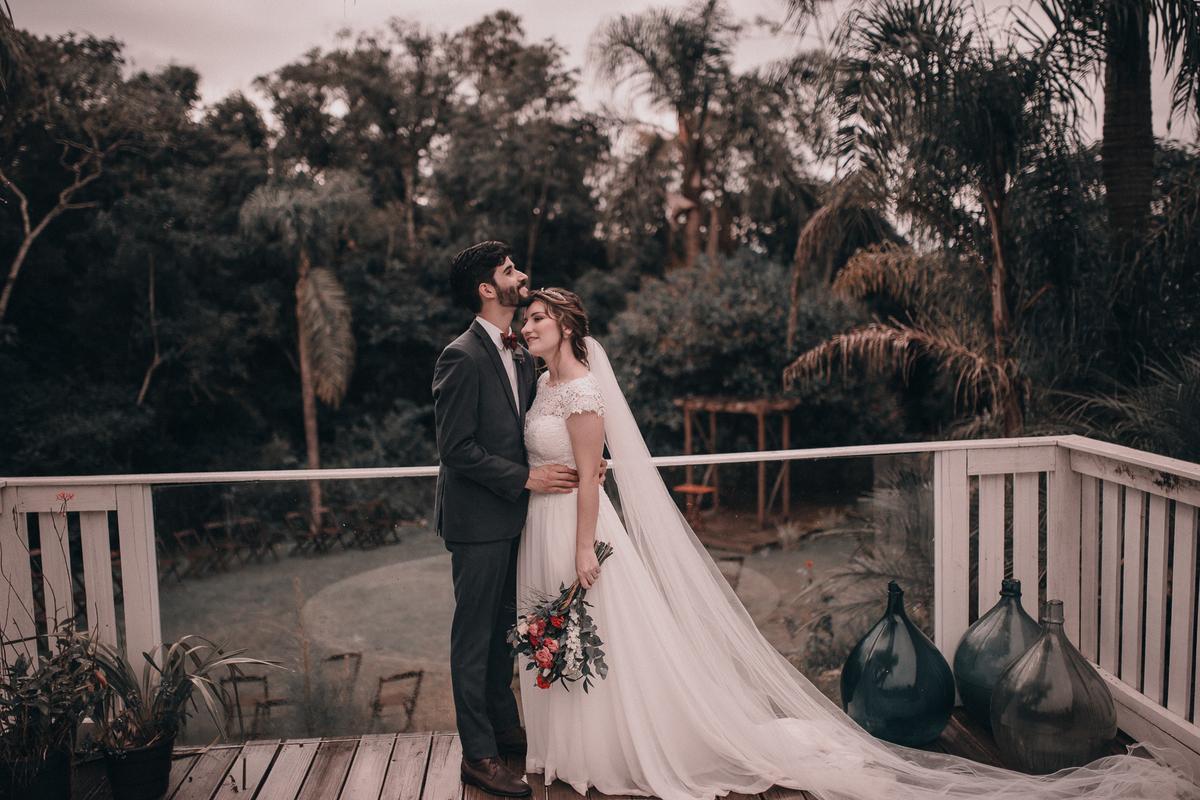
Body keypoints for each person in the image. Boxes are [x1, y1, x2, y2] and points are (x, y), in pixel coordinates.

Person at [515, 287, 1198, 800]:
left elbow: (591, 482)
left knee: (598, 638)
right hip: (539, 526)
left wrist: (583, 551)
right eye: (525, 321)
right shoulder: (542, 384)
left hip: (580, 532)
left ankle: (613, 751)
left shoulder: (582, 393)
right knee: (568, 638)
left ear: (567, 326)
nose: (527, 328)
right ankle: (571, 751)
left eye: (537, 320)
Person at [432, 243, 580, 798]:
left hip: (516, 519)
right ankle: (479, 755)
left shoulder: (520, 352)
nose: (522, 276)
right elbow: (457, 449)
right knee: (473, 639)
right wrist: (527, 480)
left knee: (502, 634)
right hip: (476, 522)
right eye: (509, 271)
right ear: (487, 290)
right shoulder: (461, 355)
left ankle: (501, 724)